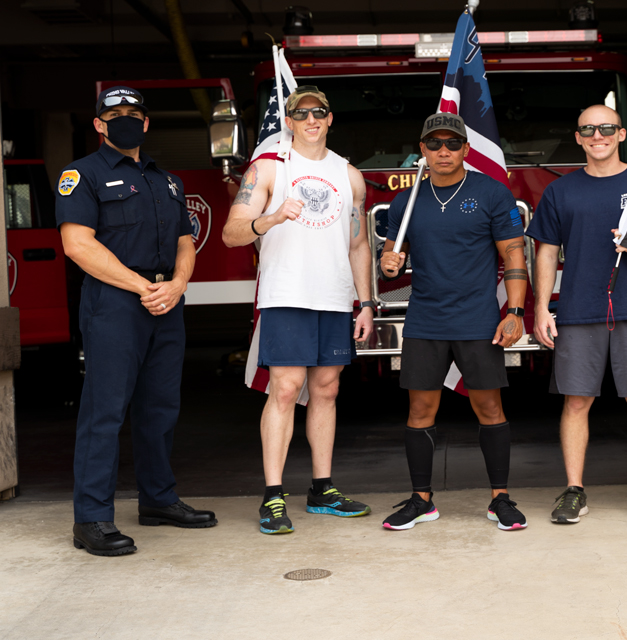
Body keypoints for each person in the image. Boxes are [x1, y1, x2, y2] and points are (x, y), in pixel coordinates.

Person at [56, 86, 217, 556]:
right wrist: (140, 286)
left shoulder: (166, 181)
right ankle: (91, 518)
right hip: (115, 303)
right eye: (115, 113)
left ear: (146, 124)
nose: (125, 120)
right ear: (99, 124)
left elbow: (186, 240)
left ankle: (159, 500)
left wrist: (178, 284)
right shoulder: (81, 175)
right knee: (104, 411)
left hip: (167, 301)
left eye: (134, 113)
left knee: (160, 408)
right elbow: (77, 245)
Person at [222, 86, 374, 534]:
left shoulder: (349, 175)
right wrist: (271, 217)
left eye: (319, 112)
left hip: (333, 296)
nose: (311, 119)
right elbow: (232, 233)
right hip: (287, 294)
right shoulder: (269, 167)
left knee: (326, 390)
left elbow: (358, 243)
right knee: (285, 390)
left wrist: (365, 303)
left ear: (330, 119)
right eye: (301, 113)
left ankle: (322, 490)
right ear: (288, 121)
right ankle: (273, 496)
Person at [525, 104, 627, 526]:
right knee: (577, 402)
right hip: (576, 311)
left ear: (622, 133)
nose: (598, 135)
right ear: (577, 138)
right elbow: (547, 251)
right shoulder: (560, 190)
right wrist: (542, 308)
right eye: (588, 129)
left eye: (606, 128)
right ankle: (574, 490)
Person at [378, 113, 528, 531]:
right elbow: (391, 264)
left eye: (451, 143)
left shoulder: (491, 193)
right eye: (434, 144)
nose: (443, 151)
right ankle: (421, 500)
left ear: (465, 148)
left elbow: (513, 254)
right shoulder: (405, 202)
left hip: (477, 318)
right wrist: (388, 264)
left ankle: (500, 498)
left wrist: (514, 312)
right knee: (421, 409)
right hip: (425, 318)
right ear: (422, 150)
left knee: (488, 407)